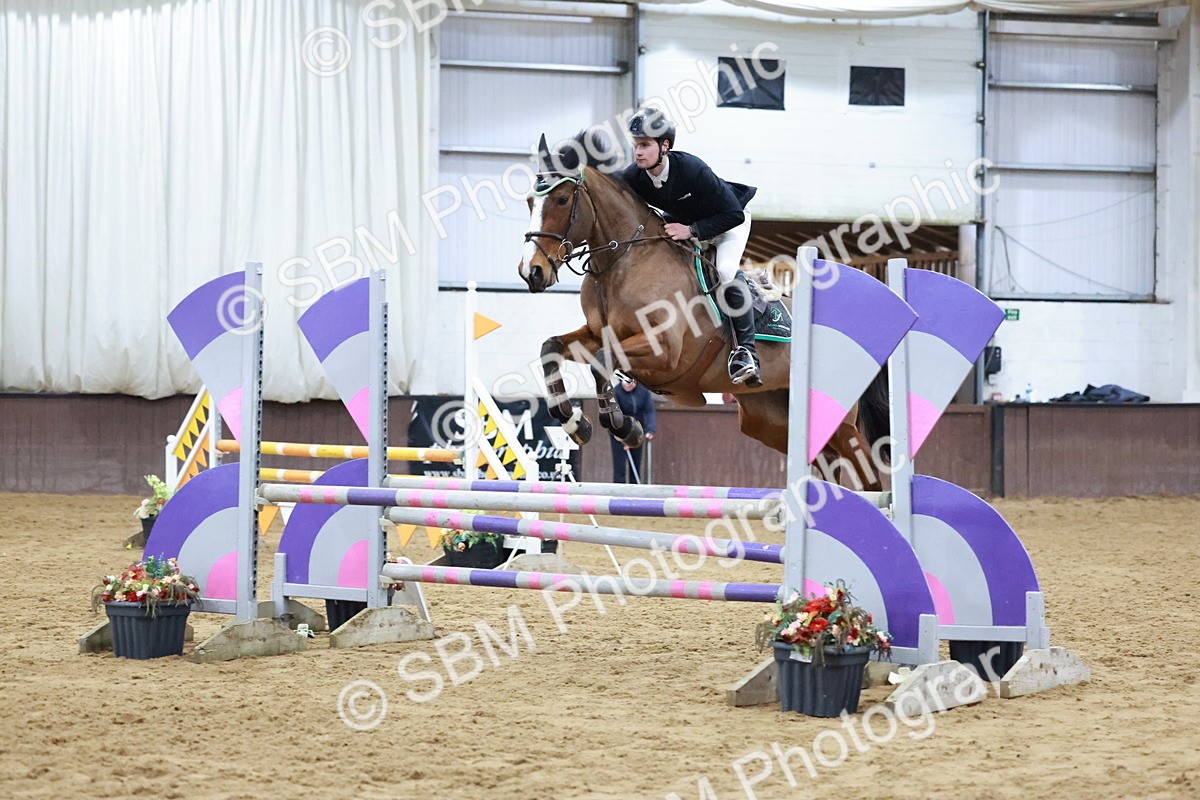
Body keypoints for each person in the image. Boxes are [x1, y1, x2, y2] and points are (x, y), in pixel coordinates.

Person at [620, 107, 762, 388]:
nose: (638, 152)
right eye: (636, 145)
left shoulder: (692, 169)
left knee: (724, 270)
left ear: (665, 146)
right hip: (686, 223)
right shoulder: (634, 177)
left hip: (728, 223)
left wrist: (691, 230)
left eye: (645, 145)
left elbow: (732, 214)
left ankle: (747, 352)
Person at [610, 378, 657, 483]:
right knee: (620, 468)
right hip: (619, 433)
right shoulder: (615, 392)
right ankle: (619, 492)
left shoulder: (643, 392)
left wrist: (650, 429)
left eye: (631, 383)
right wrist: (624, 438)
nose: (628, 385)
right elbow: (615, 416)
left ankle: (634, 491)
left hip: (637, 432)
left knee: (635, 466)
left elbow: (649, 411)